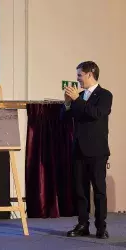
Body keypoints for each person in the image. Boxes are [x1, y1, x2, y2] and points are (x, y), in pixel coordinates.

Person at [64, 61, 113, 239]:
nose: (77, 79)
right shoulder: (80, 96)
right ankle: (83, 224)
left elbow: (96, 114)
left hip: (97, 151)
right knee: (80, 190)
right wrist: (68, 104)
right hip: (78, 150)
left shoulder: (105, 95)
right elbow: (65, 119)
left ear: (90, 74)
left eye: (79, 75)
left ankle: (101, 227)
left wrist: (77, 100)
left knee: (99, 190)